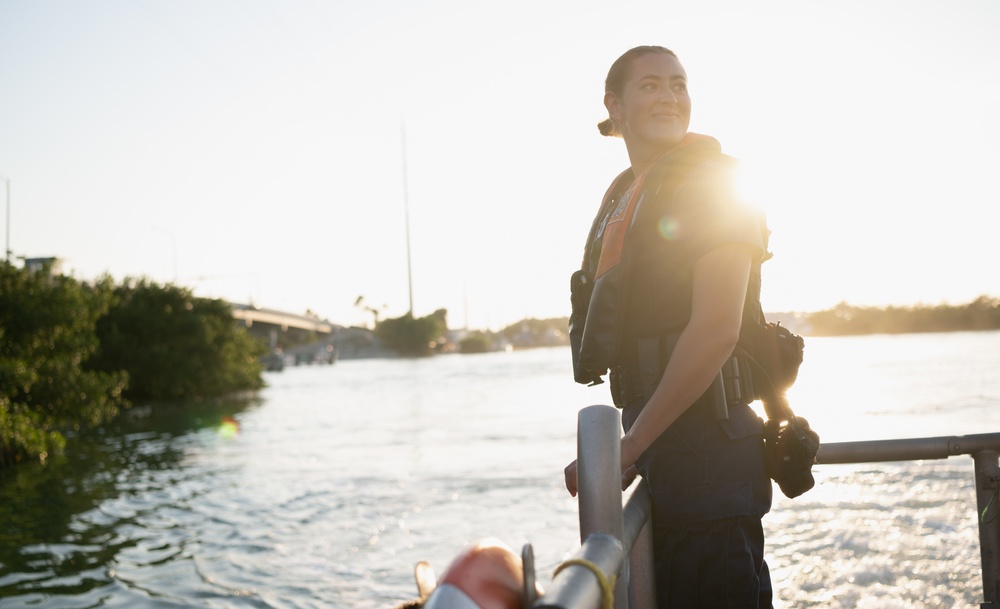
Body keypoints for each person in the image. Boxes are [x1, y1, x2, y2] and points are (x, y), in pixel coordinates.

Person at [564, 46, 774, 608]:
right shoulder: (627, 196)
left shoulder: (710, 184)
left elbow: (715, 331)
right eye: (651, 86)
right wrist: (627, 448)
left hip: (706, 447)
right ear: (615, 104)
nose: (670, 97)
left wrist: (627, 449)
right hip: (663, 439)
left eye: (679, 85)